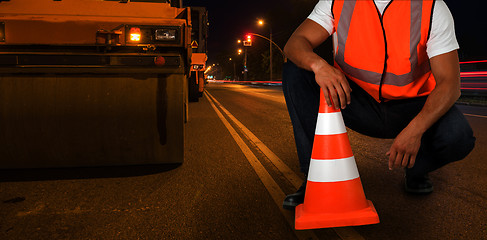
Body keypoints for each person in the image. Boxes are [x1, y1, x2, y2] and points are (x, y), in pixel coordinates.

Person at [281, 0, 476, 210]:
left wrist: (415, 130)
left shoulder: (431, 7)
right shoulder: (337, 1)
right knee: (296, 71)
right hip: (354, 100)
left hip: (411, 108)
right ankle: (315, 178)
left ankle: (417, 169)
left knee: (459, 137)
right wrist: (319, 65)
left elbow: (450, 84)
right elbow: (295, 43)